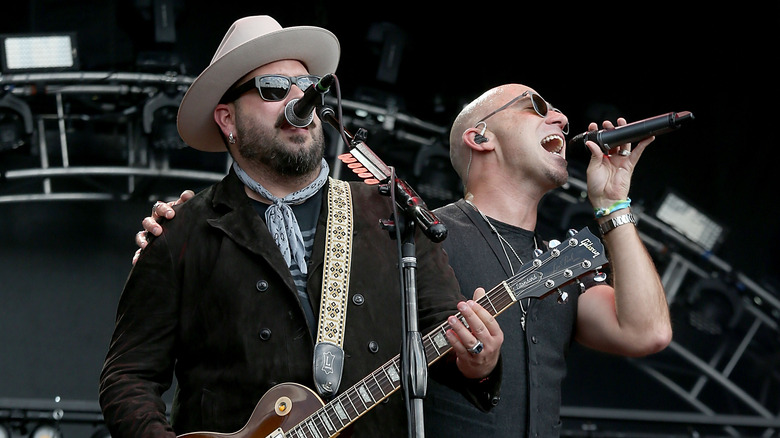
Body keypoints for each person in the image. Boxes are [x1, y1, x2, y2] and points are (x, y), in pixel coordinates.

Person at [138, 83, 673, 438]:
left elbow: (645, 331)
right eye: (535, 104)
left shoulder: (553, 262)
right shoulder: (399, 235)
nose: (559, 114)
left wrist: (613, 203)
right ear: (479, 136)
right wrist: (183, 228)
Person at [99, 15, 504, 438]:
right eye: (274, 88)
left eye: (308, 84)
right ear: (227, 120)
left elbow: (450, 341)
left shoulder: (390, 213)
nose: (300, 99)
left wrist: (481, 362)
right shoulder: (183, 231)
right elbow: (128, 378)